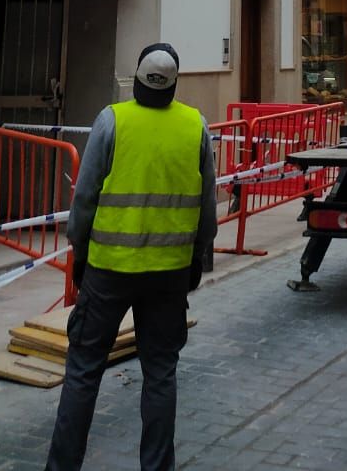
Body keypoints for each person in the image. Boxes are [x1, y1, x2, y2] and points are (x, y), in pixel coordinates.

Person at [44, 43, 217, 471]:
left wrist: (79, 253)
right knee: (161, 373)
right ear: (174, 86)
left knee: (83, 370)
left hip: (107, 271)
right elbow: (209, 207)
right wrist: (199, 260)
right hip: (170, 275)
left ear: (137, 81)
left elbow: (84, 198)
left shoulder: (112, 120)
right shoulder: (195, 127)